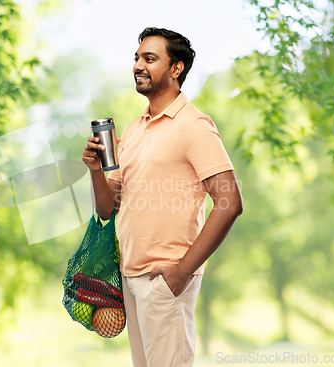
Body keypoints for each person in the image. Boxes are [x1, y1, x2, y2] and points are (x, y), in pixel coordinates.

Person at [82, 27, 243, 367]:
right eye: (137, 58)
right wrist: (96, 170)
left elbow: (230, 203)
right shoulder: (134, 129)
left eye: (150, 58)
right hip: (130, 279)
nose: (138, 65)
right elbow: (107, 207)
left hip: (165, 282)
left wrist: (182, 272)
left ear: (176, 69)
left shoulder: (194, 125)